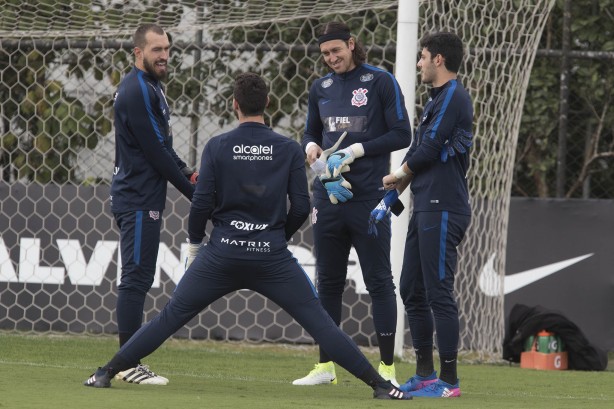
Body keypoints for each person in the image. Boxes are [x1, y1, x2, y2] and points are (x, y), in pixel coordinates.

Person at [84, 72, 411, 400]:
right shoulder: (286, 149)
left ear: (234, 105)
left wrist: (197, 245)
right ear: (267, 103)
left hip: (222, 253)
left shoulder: (217, 146)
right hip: (271, 256)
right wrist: (276, 237)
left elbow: (200, 204)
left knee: (169, 318)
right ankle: (381, 385)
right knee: (321, 323)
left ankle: (106, 372)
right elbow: (300, 206)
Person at [293, 21, 412, 387]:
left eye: (336, 51)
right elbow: (312, 131)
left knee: (379, 281)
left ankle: (387, 369)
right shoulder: (321, 88)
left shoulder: (380, 81)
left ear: (351, 44)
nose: (331, 59)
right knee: (327, 282)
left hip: (368, 198)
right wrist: (311, 147)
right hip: (329, 197)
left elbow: (402, 133)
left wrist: (358, 149)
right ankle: (325, 366)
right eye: (325, 54)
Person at [377, 31, 473, 398]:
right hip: (426, 205)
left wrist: (397, 174)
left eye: (422, 57)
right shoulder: (436, 100)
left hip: (444, 207)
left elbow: (429, 149)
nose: (418, 63)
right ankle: (425, 374)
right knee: (411, 290)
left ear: (438, 60)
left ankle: (449, 382)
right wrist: (392, 194)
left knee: (438, 292)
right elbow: (419, 148)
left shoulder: (454, 96)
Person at [109, 23, 197, 385]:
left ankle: (129, 361)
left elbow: (165, 151)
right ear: (138, 53)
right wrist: (197, 194)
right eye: (156, 49)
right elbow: (157, 154)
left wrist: (191, 176)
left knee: (139, 278)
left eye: (167, 49)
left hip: (143, 197)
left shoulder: (152, 88)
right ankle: (129, 365)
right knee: (135, 280)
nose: (163, 55)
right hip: (138, 199)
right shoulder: (137, 89)